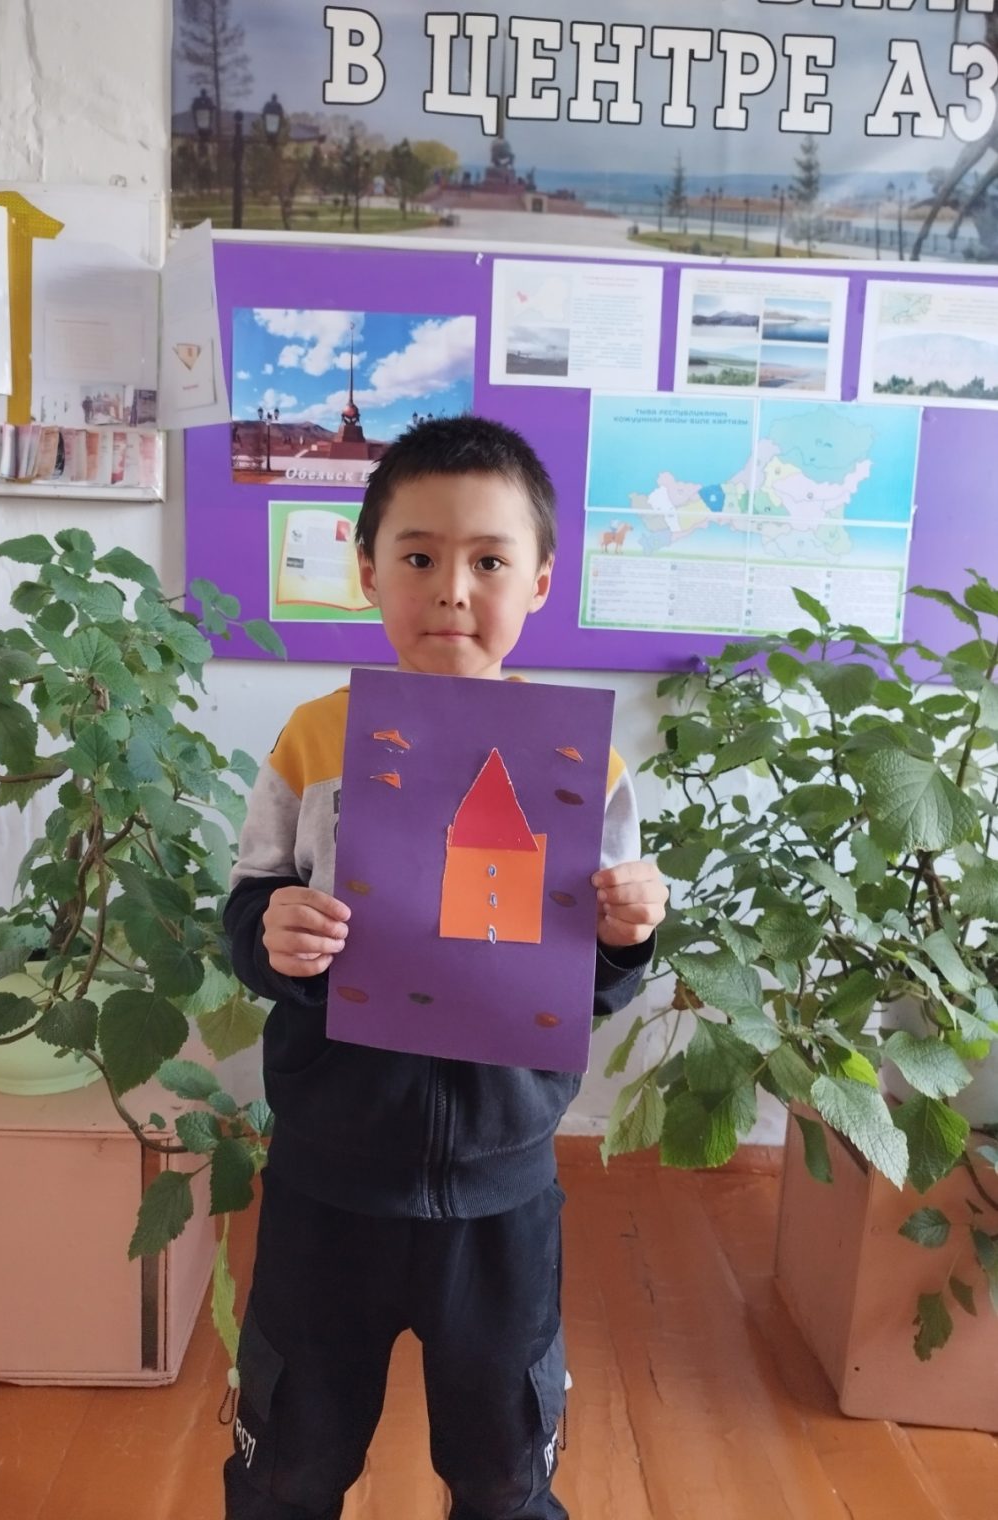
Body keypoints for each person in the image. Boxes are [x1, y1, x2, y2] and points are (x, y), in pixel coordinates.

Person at [222, 415, 667, 1520]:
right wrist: (276, 936)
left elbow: (597, 973)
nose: (452, 590)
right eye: (418, 556)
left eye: (490, 561)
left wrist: (629, 933)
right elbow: (251, 905)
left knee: (505, 1469)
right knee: (290, 1460)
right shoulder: (315, 740)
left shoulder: (585, 763)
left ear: (541, 580)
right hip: (329, 1176)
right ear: (367, 570)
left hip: (502, 1189)